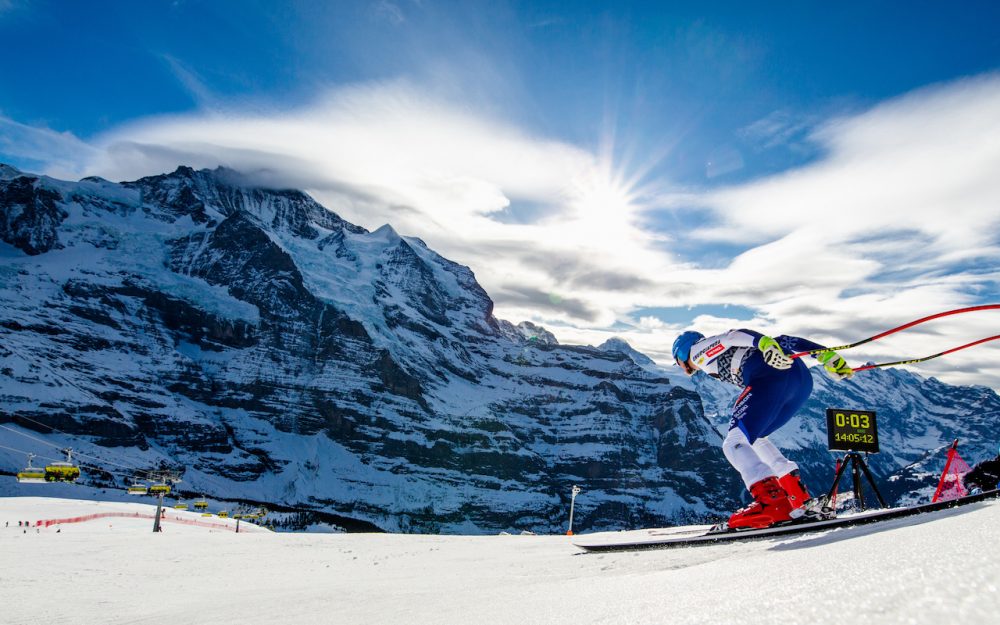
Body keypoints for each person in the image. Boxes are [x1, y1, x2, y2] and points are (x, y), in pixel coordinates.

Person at [672, 329, 854, 529]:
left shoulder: (698, 353)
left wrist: (764, 343)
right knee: (756, 439)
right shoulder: (718, 355)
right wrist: (825, 354)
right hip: (800, 381)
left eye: (678, 361)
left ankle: (772, 504)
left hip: (771, 379)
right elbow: (785, 340)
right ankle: (799, 499)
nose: (681, 367)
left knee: (734, 443)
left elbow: (732, 335)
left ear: (681, 354)